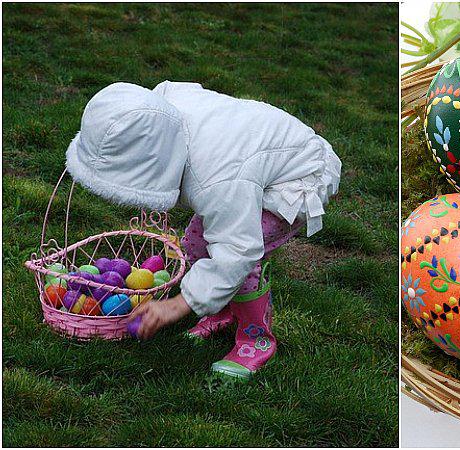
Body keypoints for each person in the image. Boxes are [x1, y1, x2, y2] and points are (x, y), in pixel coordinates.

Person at [65, 81, 341, 379]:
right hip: (252, 156)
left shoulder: (217, 178)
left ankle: (256, 340)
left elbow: (238, 250)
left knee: (241, 262)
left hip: (299, 175)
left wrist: (178, 305)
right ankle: (223, 308)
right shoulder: (157, 113)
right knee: (197, 244)